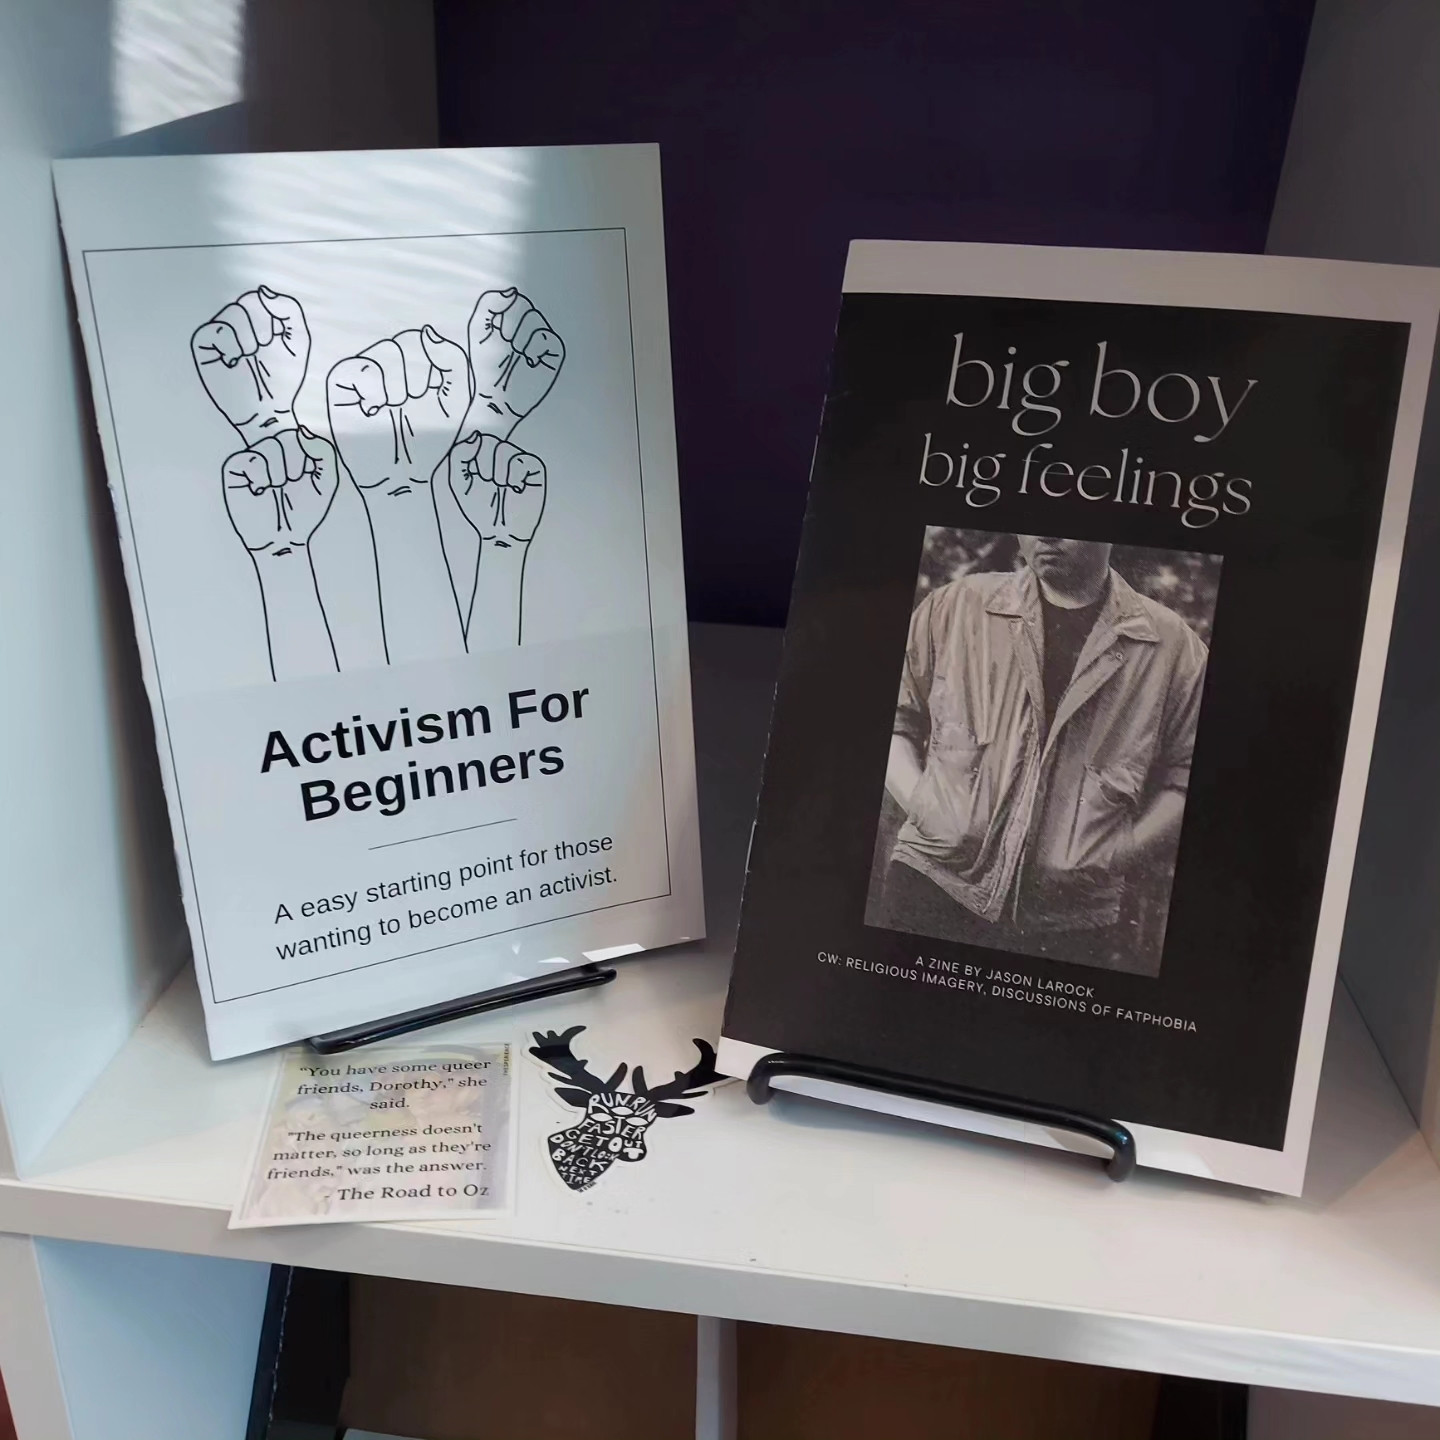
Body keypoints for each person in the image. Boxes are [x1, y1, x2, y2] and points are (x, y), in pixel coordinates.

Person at [879, 535, 1208, 971]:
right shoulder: (956, 606)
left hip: (1071, 917)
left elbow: (1189, 775)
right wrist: (925, 806)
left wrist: (1121, 851)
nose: (1046, 535)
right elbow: (895, 718)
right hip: (930, 882)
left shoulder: (1174, 648)